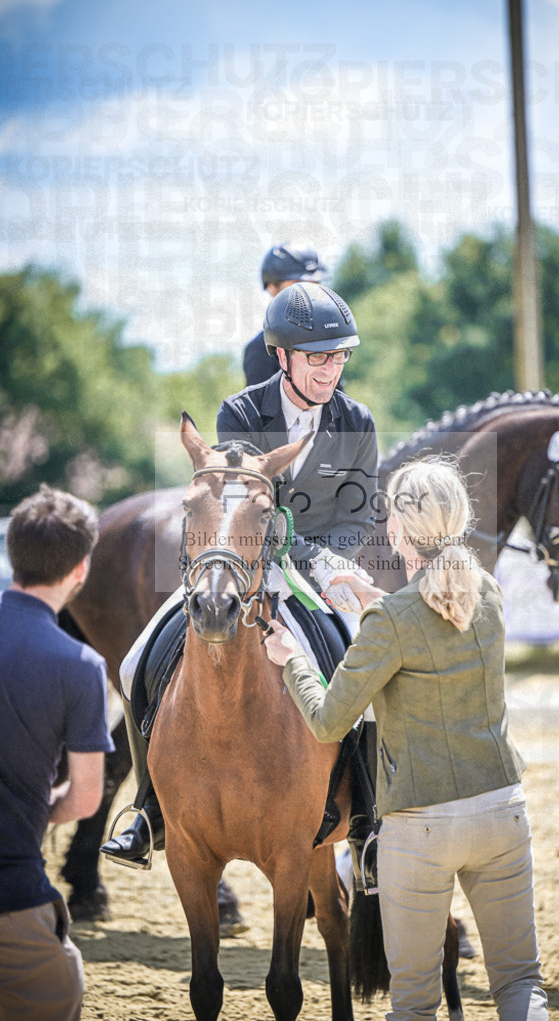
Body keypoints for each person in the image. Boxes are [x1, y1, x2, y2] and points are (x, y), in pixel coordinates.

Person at [101, 281, 379, 869]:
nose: (330, 369)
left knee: (372, 679)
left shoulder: (357, 420)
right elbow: (241, 499)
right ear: (282, 356)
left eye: (339, 356)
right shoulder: (242, 411)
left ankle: (367, 826)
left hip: (325, 568)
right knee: (132, 664)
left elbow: (359, 508)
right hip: (244, 562)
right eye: (317, 357)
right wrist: (286, 552)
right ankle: (148, 812)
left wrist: (329, 563)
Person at [264, 457, 549, 1021]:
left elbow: (327, 721)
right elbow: (431, 626)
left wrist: (293, 660)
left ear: (395, 529)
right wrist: (375, 600)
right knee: (520, 983)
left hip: (420, 829)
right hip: (502, 810)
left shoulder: (390, 621)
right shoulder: (487, 594)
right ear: (460, 519)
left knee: (415, 1005)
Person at [0, 485, 115, 1021]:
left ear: (11, 553)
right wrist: (36, 808)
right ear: (81, 569)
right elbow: (85, 799)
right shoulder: (81, 665)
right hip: (9, 896)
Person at [243, 241, 327, 386]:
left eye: (315, 285)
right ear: (272, 288)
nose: (309, 294)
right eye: (298, 285)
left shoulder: (327, 340)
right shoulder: (260, 350)